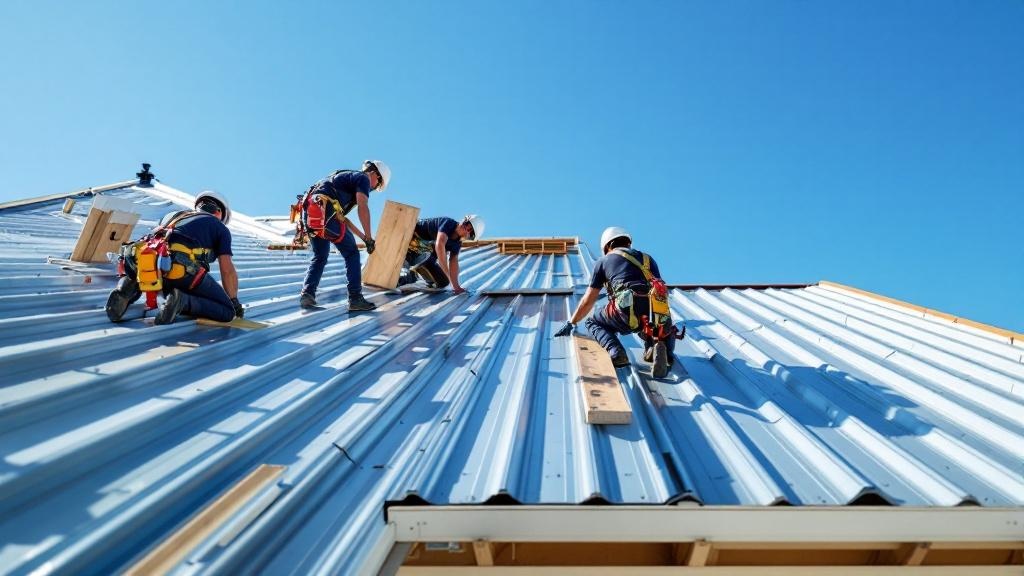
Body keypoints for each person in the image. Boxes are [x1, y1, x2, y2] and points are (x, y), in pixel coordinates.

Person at [105, 190, 244, 325]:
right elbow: (227, 270)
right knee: (226, 312)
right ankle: (182, 302)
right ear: (218, 212)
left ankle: (127, 287)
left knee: (148, 266)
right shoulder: (219, 227)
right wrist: (234, 301)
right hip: (178, 269)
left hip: (140, 261)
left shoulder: (171, 216)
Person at [553, 226, 677, 377]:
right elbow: (660, 288)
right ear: (628, 243)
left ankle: (617, 352)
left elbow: (588, 300)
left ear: (608, 246)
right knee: (657, 323)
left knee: (593, 322)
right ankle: (661, 348)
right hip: (656, 309)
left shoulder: (604, 261)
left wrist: (571, 322)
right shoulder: (648, 259)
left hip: (626, 310)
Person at [299, 160, 391, 312]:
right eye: (378, 184)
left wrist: (365, 238)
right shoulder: (363, 178)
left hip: (312, 215)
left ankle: (307, 294)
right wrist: (368, 236)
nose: (374, 188)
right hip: (326, 214)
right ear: (374, 173)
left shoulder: (341, 181)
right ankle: (355, 299)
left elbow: (343, 220)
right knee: (352, 254)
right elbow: (363, 207)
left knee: (320, 255)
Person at [398, 215, 484, 294]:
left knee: (443, 282)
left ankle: (412, 277)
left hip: (423, 258)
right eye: (466, 223)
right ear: (464, 219)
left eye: (469, 230)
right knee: (433, 250)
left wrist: (456, 286)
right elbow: (440, 244)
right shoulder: (448, 223)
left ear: (469, 236)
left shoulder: (456, 244)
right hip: (410, 239)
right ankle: (407, 269)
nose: (465, 228)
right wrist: (446, 272)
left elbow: (453, 263)